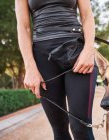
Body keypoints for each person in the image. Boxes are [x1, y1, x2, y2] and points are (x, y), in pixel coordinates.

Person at [15, 0, 98, 140]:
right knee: (59, 130)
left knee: (80, 128)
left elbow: (87, 15)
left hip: (77, 55)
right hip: (42, 60)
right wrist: (29, 67)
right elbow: (24, 27)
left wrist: (89, 50)